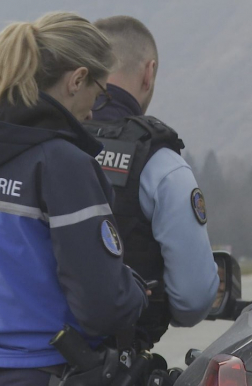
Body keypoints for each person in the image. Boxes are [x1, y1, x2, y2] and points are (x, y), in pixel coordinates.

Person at [0, 12, 148, 386]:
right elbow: (103, 305)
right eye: (100, 90)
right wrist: (138, 292)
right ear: (77, 79)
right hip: (49, 371)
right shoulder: (64, 166)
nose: (94, 109)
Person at [89, 16, 220, 347]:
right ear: (148, 72)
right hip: (116, 364)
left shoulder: (42, 142)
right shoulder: (161, 166)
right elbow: (192, 300)